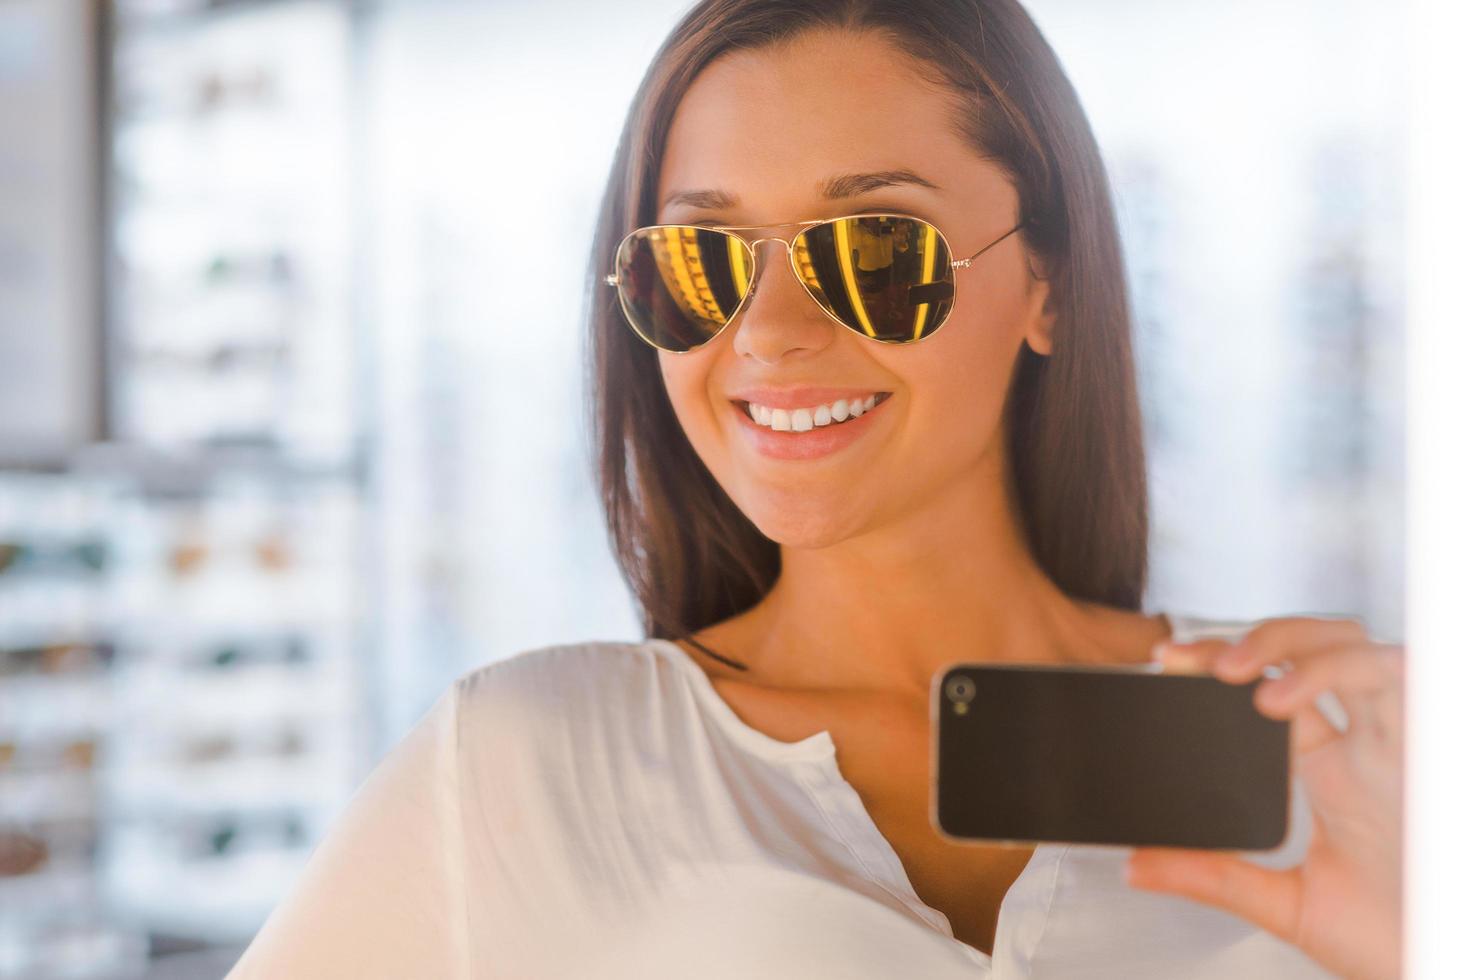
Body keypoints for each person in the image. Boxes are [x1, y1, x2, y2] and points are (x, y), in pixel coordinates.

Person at [226, 1, 1403, 977]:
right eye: (702, 261)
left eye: (875, 249)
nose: (770, 333)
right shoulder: (517, 763)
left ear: (1045, 279)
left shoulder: (1336, 751)